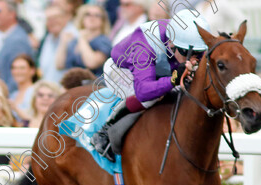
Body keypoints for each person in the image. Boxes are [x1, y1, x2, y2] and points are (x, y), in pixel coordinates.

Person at [91, 9, 213, 160]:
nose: (193, 58)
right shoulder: (145, 47)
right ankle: (104, 132)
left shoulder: (185, 36)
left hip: (160, 68)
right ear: (172, 43)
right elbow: (143, 91)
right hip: (122, 71)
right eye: (187, 52)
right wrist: (173, 80)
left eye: (198, 53)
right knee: (152, 98)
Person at [57, 4, 112, 78]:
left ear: (103, 21)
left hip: (94, 86)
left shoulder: (103, 41)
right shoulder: (75, 41)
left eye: (97, 15)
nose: (92, 18)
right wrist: (63, 42)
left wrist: (82, 39)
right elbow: (60, 65)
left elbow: (92, 63)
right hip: (74, 84)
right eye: (88, 14)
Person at [36, 5, 78, 84]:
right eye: (48, 19)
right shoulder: (49, 38)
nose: (52, 22)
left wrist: (63, 42)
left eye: (55, 17)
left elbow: (60, 65)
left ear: (66, 18)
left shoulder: (73, 36)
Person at [9, 54, 40, 122]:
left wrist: (15, 108)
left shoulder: (37, 92)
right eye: (14, 68)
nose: (18, 71)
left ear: (32, 71)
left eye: (22, 68)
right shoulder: (13, 94)